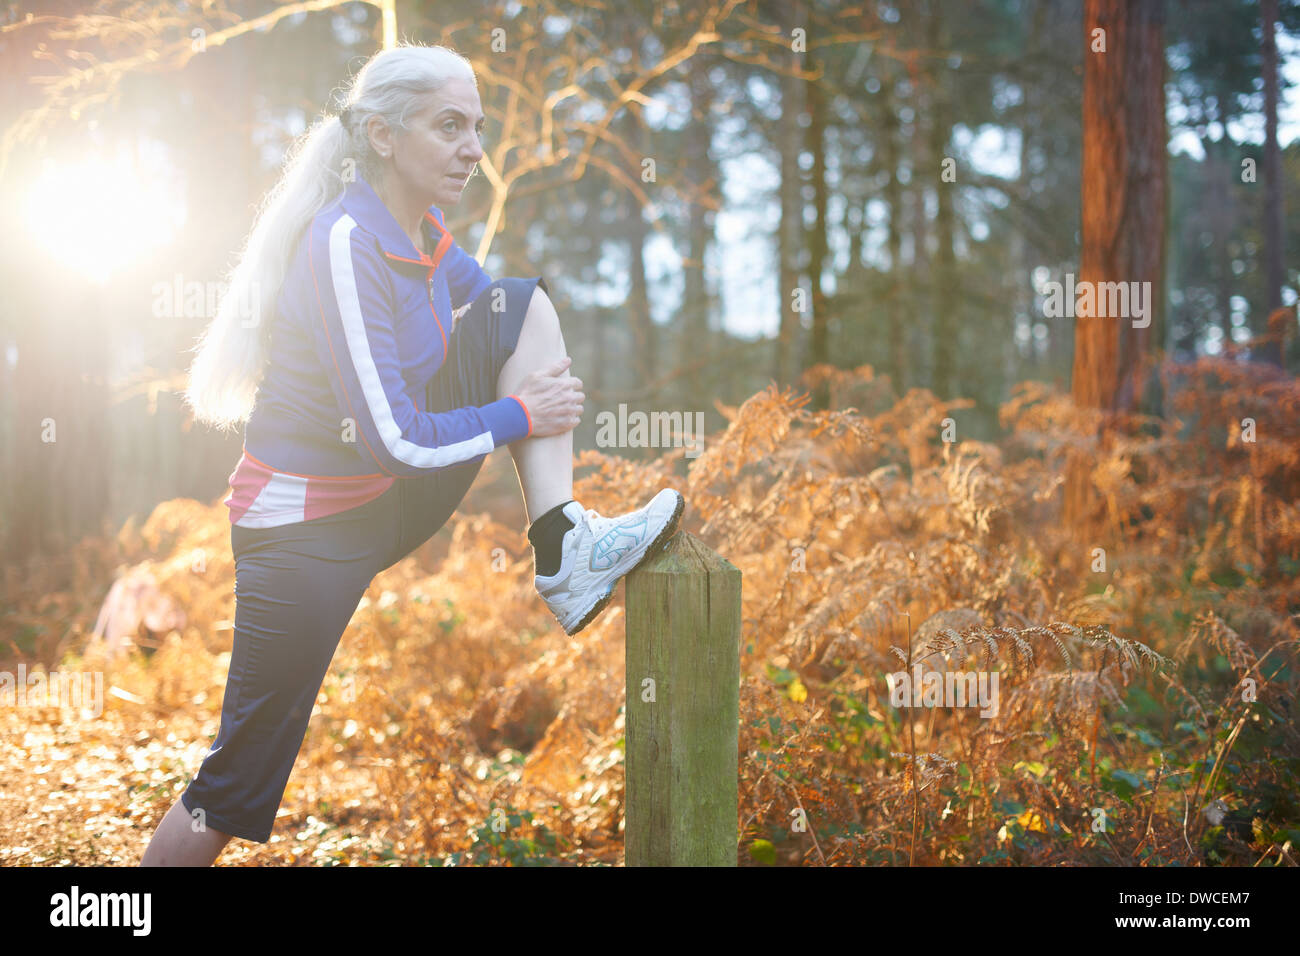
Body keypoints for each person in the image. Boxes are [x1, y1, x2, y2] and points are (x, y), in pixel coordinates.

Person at [140, 43, 683, 866]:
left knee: (519, 303)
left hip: (380, 500)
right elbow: (394, 439)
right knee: (233, 789)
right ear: (383, 136)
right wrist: (517, 413)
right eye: (450, 126)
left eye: (477, 127)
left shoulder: (425, 233)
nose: (474, 147)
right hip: (303, 534)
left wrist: (528, 396)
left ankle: (563, 548)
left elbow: (501, 318)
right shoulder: (344, 243)